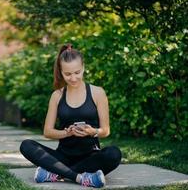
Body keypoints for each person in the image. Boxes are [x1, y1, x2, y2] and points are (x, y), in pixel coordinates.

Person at [19, 43, 122, 188]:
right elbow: (48, 132)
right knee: (27, 145)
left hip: (90, 157)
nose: (73, 78)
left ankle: (55, 174)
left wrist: (93, 131)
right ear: (61, 72)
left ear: (83, 68)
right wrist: (67, 133)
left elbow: (105, 130)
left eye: (77, 72)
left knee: (114, 154)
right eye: (67, 74)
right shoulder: (57, 96)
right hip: (63, 157)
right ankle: (81, 178)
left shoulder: (98, 93)